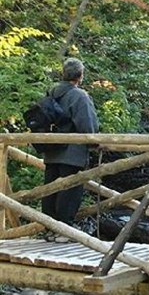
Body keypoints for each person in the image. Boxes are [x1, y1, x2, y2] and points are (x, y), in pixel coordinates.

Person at [42, 58, 99, 243]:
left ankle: (50, 228)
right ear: (80, 76)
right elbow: (87, 125)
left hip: (52, 149)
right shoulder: (79, 96)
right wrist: (95, 142)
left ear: (63, 73)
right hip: (72, 152)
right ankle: (64, 230)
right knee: (70, 190)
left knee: (51, 189)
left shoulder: (52, 92)